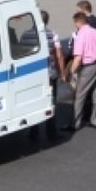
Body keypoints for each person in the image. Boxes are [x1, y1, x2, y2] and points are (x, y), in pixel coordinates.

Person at [29, 10, 67, 141]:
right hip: (50, 75)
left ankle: (33, 133)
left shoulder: (26, 35)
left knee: (33, 104)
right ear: (47, 21)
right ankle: (51, 133)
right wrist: (62, 72)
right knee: (50, 103)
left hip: (32, 76)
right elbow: (59, 55)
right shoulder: (52, 34)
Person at [67, 12, 96, 130]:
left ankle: (75, 123)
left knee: (80, 95)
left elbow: (78, 58)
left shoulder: (81, 35)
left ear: (78, 22)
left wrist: (71, 72)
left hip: (89, 67)